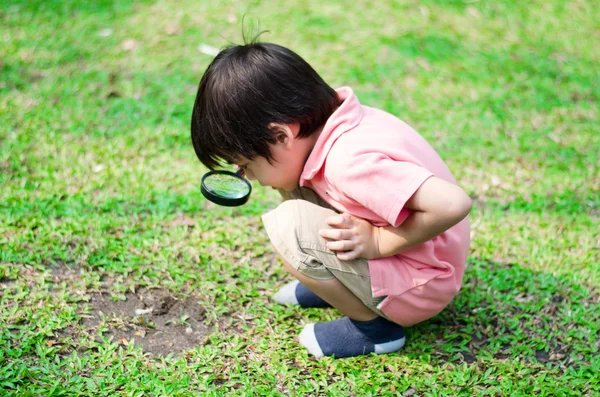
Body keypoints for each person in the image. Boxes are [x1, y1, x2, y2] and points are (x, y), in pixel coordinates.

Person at [190, 40, 472, 359]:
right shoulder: (336, 122)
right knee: (292, 183)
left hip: (421, 285)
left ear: (282, 136)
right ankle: (338, 281)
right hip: (425, 262)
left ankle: (373, 329)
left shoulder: (348, 162)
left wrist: (379, 241)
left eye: (246, 165)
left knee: (289, 228)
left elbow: (453, 204)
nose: (250, 176)